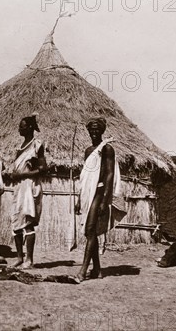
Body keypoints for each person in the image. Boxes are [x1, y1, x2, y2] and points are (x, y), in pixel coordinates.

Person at [74, 117, 124, 282]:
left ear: (102, 131)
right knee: (92, 231)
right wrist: (79, 199)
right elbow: (86, 178)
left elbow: (109, 174)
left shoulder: (107, 149)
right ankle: (97, 269)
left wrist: (104, 200)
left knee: (90, 230)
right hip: (88, 193)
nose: (94, 132)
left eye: (97, 129)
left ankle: (83, 270)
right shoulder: (89, 151)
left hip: (100, 191)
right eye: (91, 129)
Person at [3, 116, 47, 269]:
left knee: (27, 223)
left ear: (29, 128)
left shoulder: (37, 145)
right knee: (16, 222)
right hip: (19, 187)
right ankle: (19, 257)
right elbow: (18, 169)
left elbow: (43, 169)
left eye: (22, 126)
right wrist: (11, 176)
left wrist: (21, 175)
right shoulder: (19, 147)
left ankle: (29, 260)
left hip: (29, 186)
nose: (19, 129)